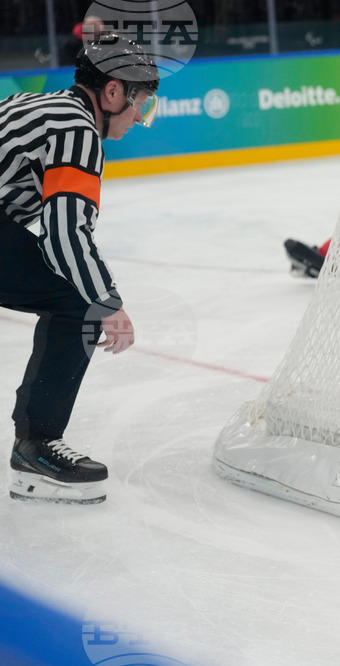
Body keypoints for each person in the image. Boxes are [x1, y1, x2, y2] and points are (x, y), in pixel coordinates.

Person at [1, 33, 159, 504]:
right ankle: (37, 447)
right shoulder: (76, 130)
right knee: (79, 304)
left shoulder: (40, 107)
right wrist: (107, 302)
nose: (139, 119)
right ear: (112, 92)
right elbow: (65, 234)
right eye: (141, 105)